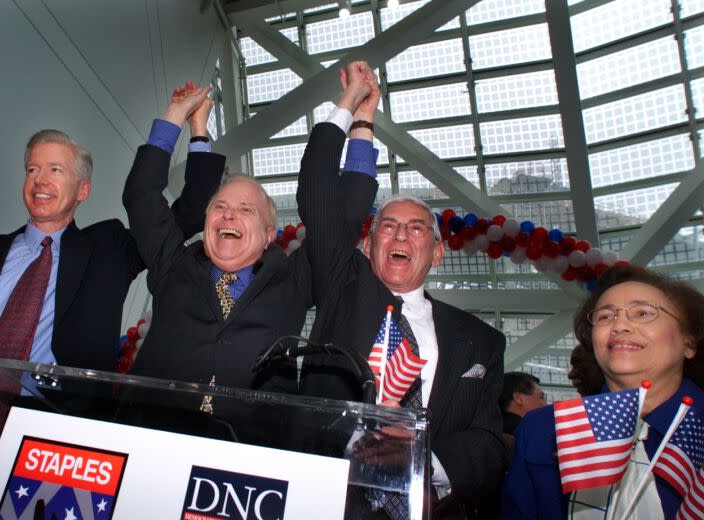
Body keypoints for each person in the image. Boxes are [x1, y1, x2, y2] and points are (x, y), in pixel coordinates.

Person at [0, 115, 224, 517]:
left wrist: (191, 129)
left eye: (55, 169)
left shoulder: (108, 249)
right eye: (32, 169)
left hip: (51, 432)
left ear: (82, 189)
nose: (39, 179)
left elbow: (189, 212)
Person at [298, 67, 508, 514]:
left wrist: (420, 459)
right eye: (387, 228)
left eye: (416, 230)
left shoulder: (482, 340)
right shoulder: (342, 287)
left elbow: (488, 444)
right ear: (368, 244)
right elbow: (319, 195)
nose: (399, 237)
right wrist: (355, 110)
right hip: (325, 499)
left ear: (437, 253)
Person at [123, 68, 378, 397]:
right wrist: (177, 115)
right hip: (152, 432)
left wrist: (359, 118)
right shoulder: (172, 263)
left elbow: (344, 216)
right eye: (219, 206)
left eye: (246, 210)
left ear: (270, 233)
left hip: (250, 441)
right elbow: (141, 195)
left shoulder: (295, 280)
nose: (229, 213)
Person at [501, 265, 704, 519]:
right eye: (606, 317)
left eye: (643, 313)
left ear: (689, 342)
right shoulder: (542, 429)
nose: (620, 325)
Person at [500, 372, 545, 436]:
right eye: (541, 397)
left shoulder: (490, 428)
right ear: (519, 398)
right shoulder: (532, 433)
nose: (545, 405)